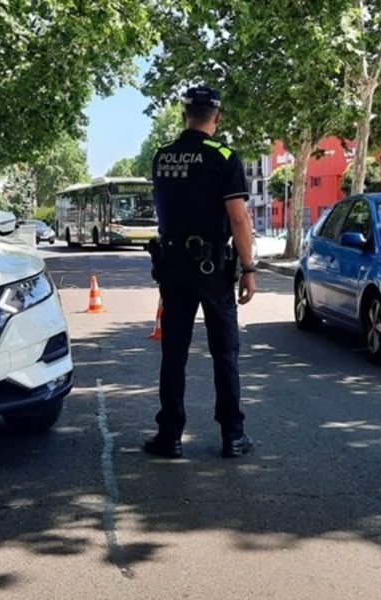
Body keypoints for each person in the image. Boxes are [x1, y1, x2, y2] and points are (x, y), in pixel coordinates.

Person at [144, 85, 257, 459]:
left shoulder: (162, 157)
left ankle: (170, 436)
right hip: (212, 268)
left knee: (173, 352)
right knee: (225, 352)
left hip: (173, 266)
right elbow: (238, 218)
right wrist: (249, 269)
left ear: (184, 116)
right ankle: (233, 436)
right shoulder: (224, 157)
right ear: (217, 117)